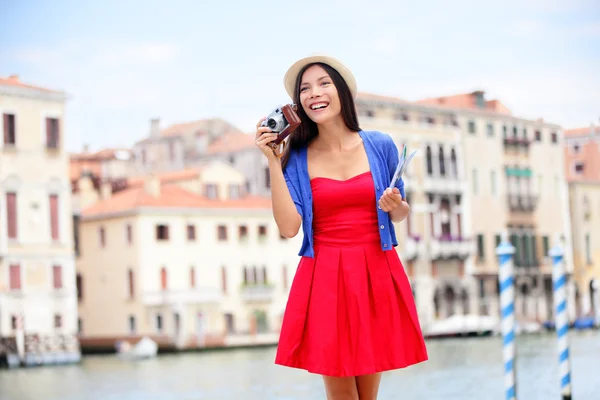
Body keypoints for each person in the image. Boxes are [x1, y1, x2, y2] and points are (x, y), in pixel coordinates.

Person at [254, 54, 428, 400]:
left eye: (323, 84)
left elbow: (400, 212)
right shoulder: (297, 158)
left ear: (342, 92)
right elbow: (289, 228)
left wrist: (398, 206)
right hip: (325, 278)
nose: (314, 93)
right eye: (304, 89)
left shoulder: (380, 145)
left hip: (375, 272)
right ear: (298, 104)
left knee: (368, 396)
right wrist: (273, 160)